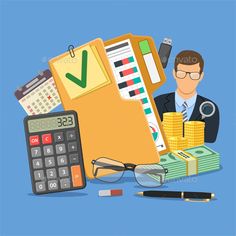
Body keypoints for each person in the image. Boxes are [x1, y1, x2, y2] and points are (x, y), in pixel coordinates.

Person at [154, 50, 219, 142]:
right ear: (174, 73)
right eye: (181, 73)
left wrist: (169, 130)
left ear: (201, 76)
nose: (187, 79)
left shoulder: (210, 107)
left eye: (194, 75)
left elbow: (210, 138)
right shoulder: (158, 102)